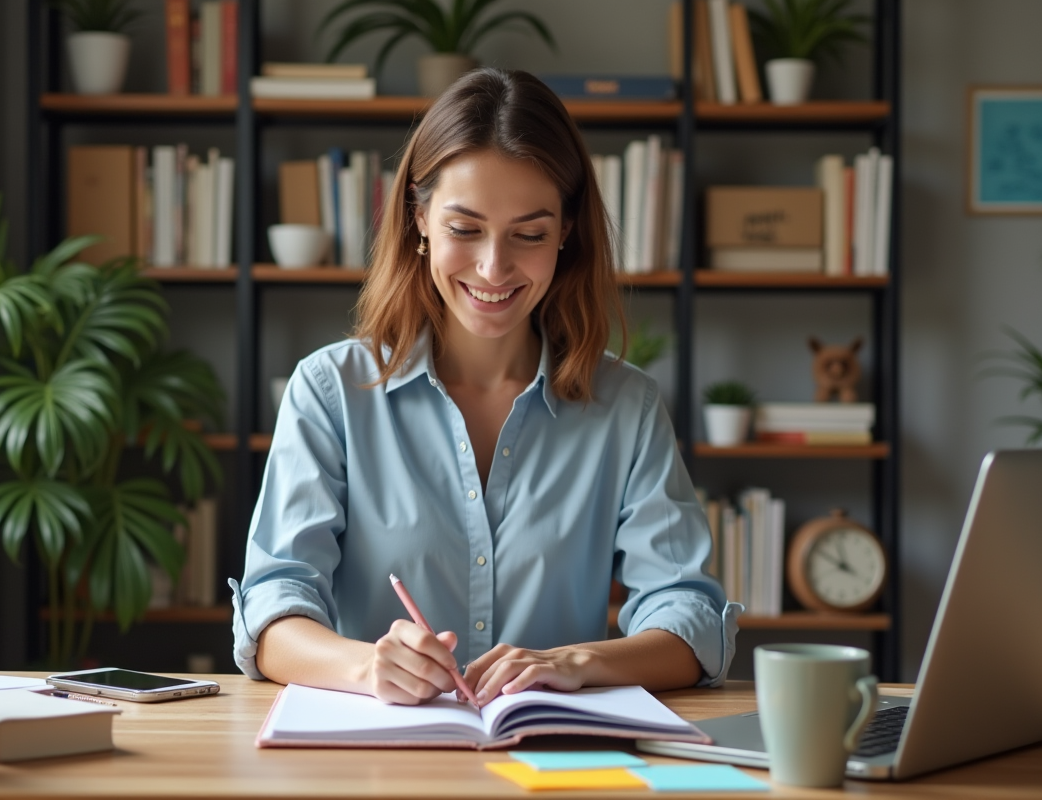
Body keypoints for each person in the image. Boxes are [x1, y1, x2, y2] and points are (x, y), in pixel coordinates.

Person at [231, 67, 739, 707]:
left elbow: (689, 614)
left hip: (553, 760)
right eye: (464, 229)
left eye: (529, 234)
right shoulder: (329, 391)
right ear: (417, 218)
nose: (493, 268)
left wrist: (577, 662)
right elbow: (272, 610)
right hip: (376, 764)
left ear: (566, 234)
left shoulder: (626, 407)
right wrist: (366, 668)